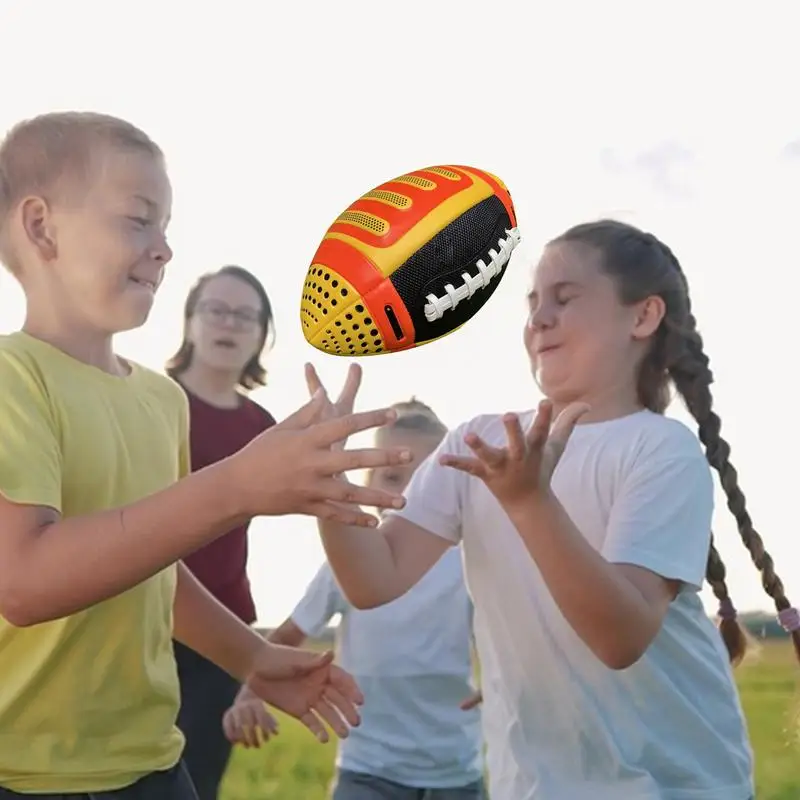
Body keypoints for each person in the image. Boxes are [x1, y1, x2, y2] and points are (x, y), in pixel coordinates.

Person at [308, 219, 800, 800]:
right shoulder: (479, 442)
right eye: (533, 302)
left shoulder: (661, 450)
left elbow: (620, 636)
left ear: (642, 317)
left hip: (677, 784)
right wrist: (328, 485)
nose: (538, 319)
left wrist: (530, 503)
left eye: (565, 299)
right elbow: (374, 577)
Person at [0, 111, 412, 799]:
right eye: (137, 220)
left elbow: (153, 571)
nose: (162, 249)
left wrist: (253, 656)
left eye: (165, 228)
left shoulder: (161, 400)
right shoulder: (14, 377)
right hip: (27, 775)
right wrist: (235, 487)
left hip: (155, 763)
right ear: (41, 226)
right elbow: (25, 581)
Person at [224, 389, 486, 800]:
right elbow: (287, 637)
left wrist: (505, 679)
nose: (409, 496)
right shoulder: (346, 568)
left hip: (453, 772)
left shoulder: (471, 563)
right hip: (367, 772)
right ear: (368, 483)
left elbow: (508, 633)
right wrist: (248, 694)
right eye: (394, 477)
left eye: (426, 481)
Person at [164, 265, 278, 799]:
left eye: (245, 315)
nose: (228, 324)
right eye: (216, 309)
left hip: (225, 632)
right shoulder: (148, 402)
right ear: (190, 321)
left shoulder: (263, 427)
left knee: (196, 784)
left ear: (261, 335)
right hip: (142, 619)